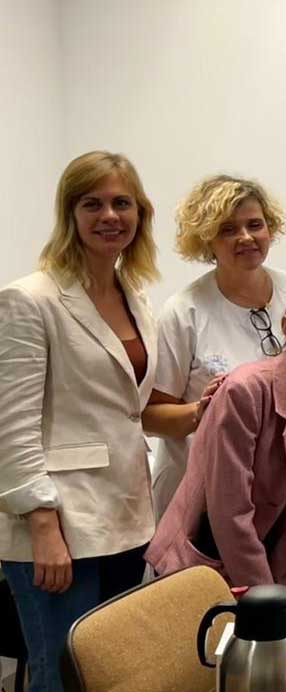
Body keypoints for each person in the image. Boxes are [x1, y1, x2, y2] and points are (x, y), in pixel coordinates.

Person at [0, 151, 160, 692]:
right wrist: (43, 528)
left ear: (140, 214)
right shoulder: (29, 299)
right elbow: (12, 428)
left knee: (113, 674)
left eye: (122, 203)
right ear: (69, 213)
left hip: (126, 518)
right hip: (60, 528)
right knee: (62, 679)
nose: (109, 216)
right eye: (92, 204)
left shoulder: (136, 297)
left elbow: (128, 407)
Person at [146, 275, 286, 588]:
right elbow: (229, 511)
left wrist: (280, 586)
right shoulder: (244, 390)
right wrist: (262, 593)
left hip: (266, 573)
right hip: (202, 566)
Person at [144, 175, 286, 515]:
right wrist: (202, 412)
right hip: (199, 498)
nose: (245, 237)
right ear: (207, 239)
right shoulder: (184, 311)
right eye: (228, 229)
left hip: (275, 495)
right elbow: (151, 416)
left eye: (254, 225)